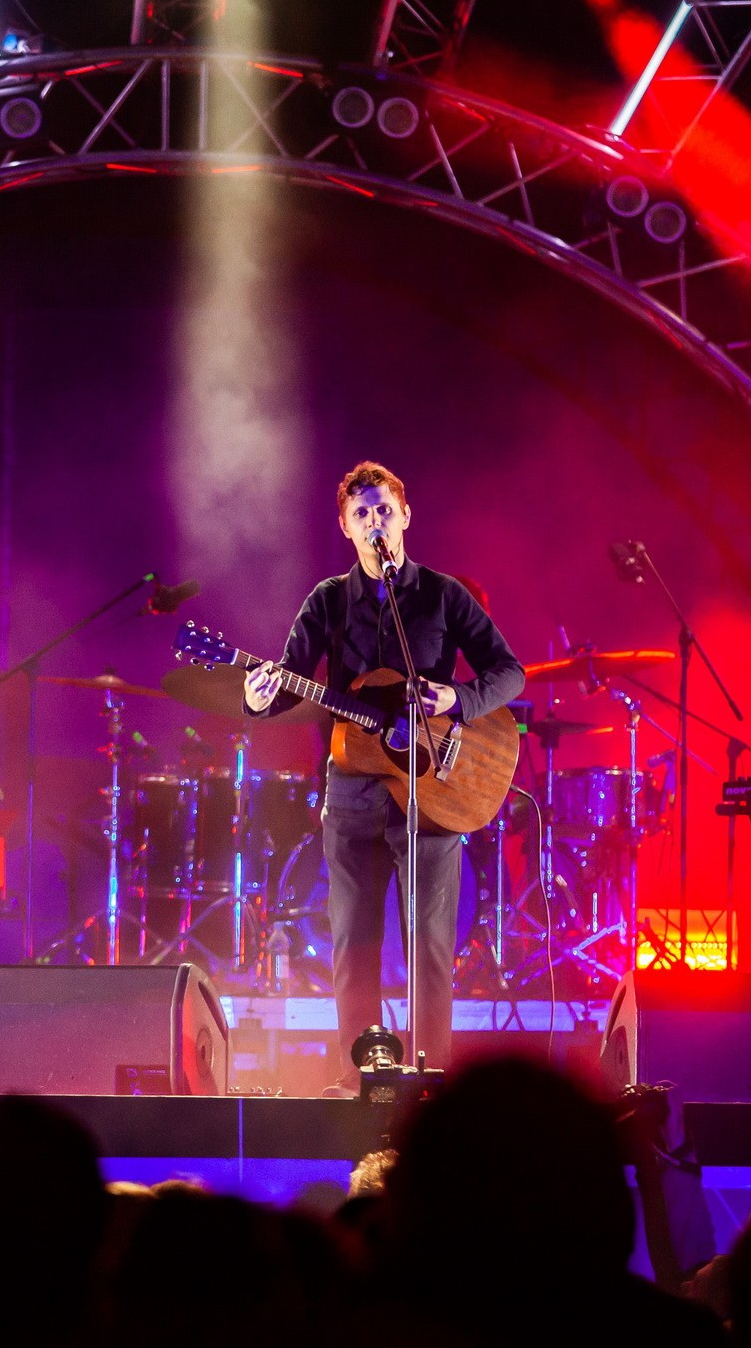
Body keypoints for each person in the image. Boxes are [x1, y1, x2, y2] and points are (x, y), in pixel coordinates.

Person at [243, 460, 524, 1076]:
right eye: (362, 513)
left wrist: (459, 699)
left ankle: (430, 1079)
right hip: (352, 791)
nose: (376, 522)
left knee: (429, 947)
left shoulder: (442, 595)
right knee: (355, 944)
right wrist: (261, 696)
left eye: (384, 510)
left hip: (436, 791)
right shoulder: (327, 600)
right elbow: (292, 677)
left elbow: (510, 672)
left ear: (405, 516)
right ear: (346, 527)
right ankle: (360, 1076)